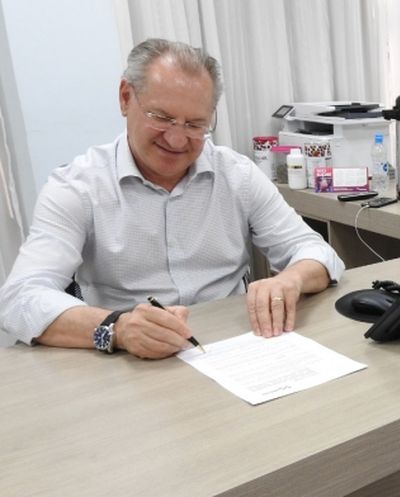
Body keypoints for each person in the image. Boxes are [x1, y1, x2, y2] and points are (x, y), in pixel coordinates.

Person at [0, 39, 344, 359]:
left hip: (233, 347)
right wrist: (118, 327)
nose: (177, 140)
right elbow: (19, 298)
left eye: (195, 124)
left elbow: (316, 251)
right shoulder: (78, 186)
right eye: (161, 118)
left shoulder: (236, 174)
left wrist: (290, 279)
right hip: (127, 361)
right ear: (125, 98)